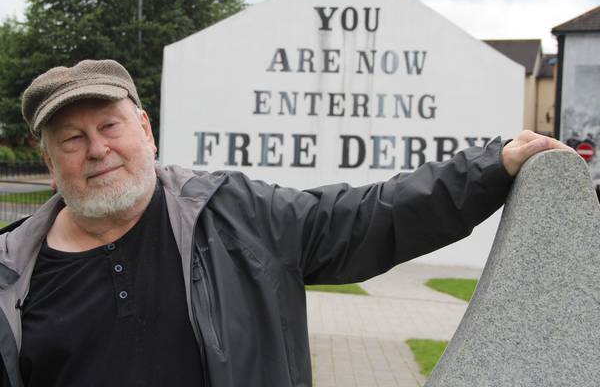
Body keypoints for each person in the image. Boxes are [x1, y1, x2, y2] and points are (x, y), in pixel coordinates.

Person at [0, 59, 571, 387]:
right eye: (72, 139)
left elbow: (364, 217)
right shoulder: (10, 276)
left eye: (110, 126)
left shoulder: (233, 215)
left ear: (146, 130)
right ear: (50, 163)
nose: (97, 149)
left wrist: (489, 167)